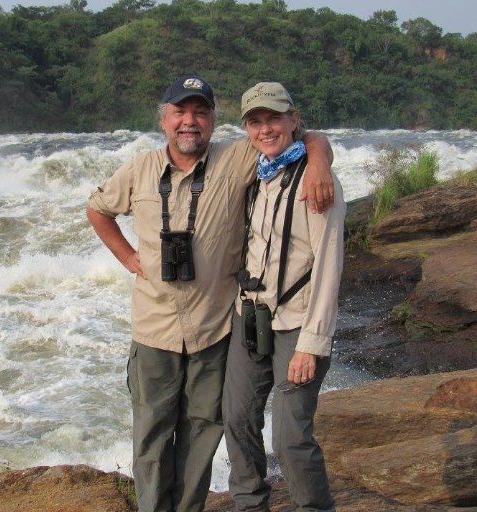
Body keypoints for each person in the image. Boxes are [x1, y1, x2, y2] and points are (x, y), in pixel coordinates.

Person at [86, 74, 334, 512]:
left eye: (200, 112)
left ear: (214, 121)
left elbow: (302, 135)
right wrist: (128, 257)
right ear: (163, 120)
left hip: (216, 330)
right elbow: (97, 208)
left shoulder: (236, 158)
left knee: (204, 432)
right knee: (152, 433)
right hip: (154, 329)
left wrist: (318, 162)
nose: (190, 122)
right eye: (180, 112)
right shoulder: (139, 169)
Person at [222, 82, 346, 512]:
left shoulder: (318, 184)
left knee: (290, 437)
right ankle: (250, 504)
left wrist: (312, 345)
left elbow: (329, 267)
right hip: (251, 318)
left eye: (274, 118)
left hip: (298, 323)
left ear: (294, 120)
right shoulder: (255, 175)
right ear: (246, 129)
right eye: (255, 121)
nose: (266, 128)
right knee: (237, 418)